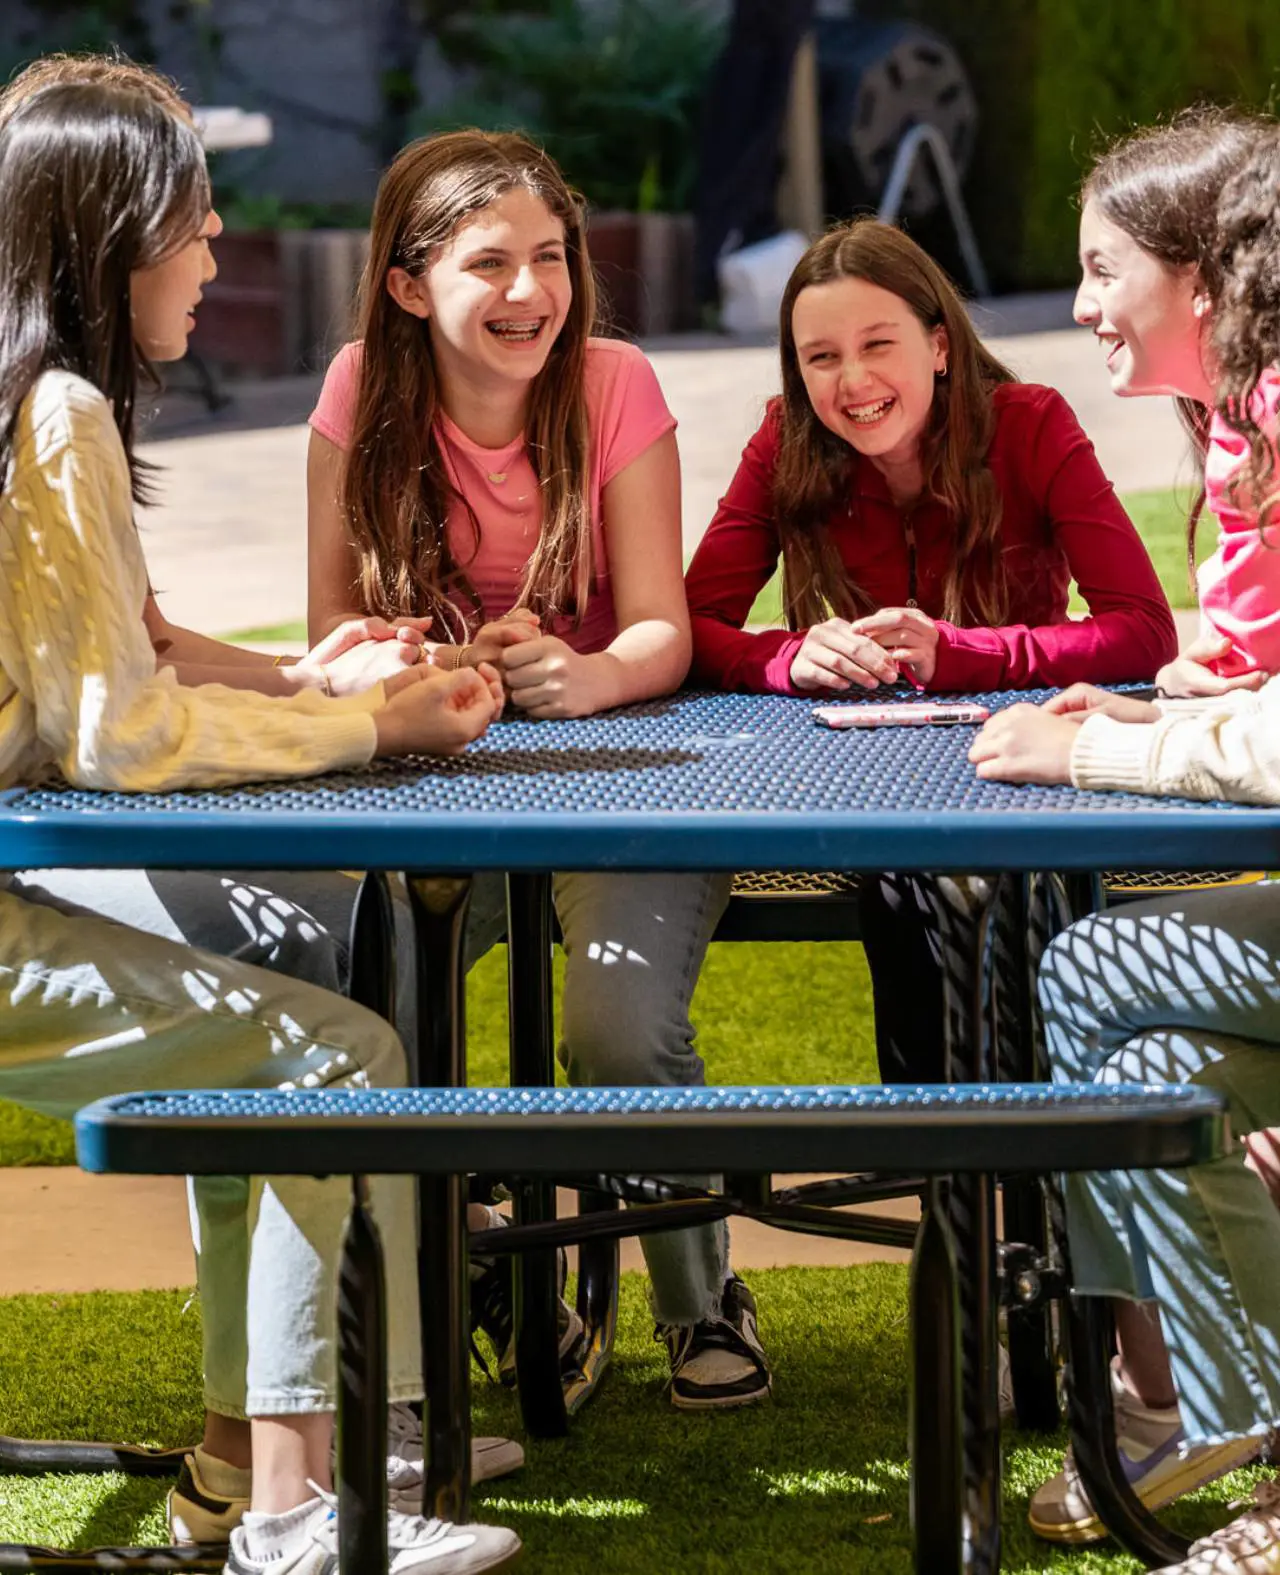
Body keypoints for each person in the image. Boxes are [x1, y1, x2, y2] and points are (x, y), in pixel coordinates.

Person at [0, 51, 530, 1546]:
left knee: (286, 955)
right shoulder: (57, 417)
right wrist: (366, 722)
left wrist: (313, 687)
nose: (219, 243)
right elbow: (120, 734)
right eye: (198, 215)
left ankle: (283, 1452)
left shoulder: (30, 403)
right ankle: (305, 1513)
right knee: (336, 1056)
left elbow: (98, 684)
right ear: (110, 231)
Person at [306, 127, 772, 1411]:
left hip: (621, 773)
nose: (531, 294)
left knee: (614, 1028)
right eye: (490, 264)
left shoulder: (613, 380)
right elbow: (327, 639)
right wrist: (408, 660)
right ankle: (498, 1292)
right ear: (409, 285)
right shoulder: (358, 389)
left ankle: (696, 1298)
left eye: (551, 259)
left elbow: (657, 632)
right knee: (378, 1017)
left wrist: (582, 676)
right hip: (438, 784)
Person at [968, 117, 1280, 1573]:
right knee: (1158, 1076)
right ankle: (1202, 1417)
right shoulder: (1243, 423)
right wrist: (1177, 695)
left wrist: (1102, 747)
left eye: (1103, 269)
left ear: (1200, 276)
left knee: (1093, 965)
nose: (1082, 303)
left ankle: (1165, 1406)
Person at [684, 215, 1177, 1083]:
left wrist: (965, 652)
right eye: (821, 357)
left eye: (880, 343)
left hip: (1026, 756)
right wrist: (785, 658)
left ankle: (1021, 1172)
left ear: (940, 346)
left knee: (1010, 886)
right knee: (908, 876)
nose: (853, 380)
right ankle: (949, 1166)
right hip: (880, 779)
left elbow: (1142, 629)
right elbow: (689, 625)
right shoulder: (784, 442)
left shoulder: (1029, 425)